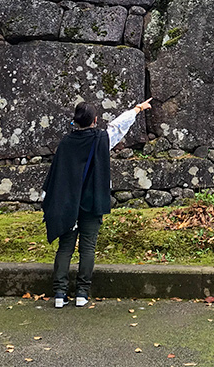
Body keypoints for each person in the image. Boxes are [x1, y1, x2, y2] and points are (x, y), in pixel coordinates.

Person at [42, 98, 151, 308]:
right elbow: (118, 127)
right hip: (91, 201)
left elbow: (57, 175)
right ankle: (82, 293)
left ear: (76, 121)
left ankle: (59, 293)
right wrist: (137, 109)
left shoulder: (65, 143)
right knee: (87, 247)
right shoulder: (101, 139)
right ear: (95, 120)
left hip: (68, 203)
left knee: (65, 248)